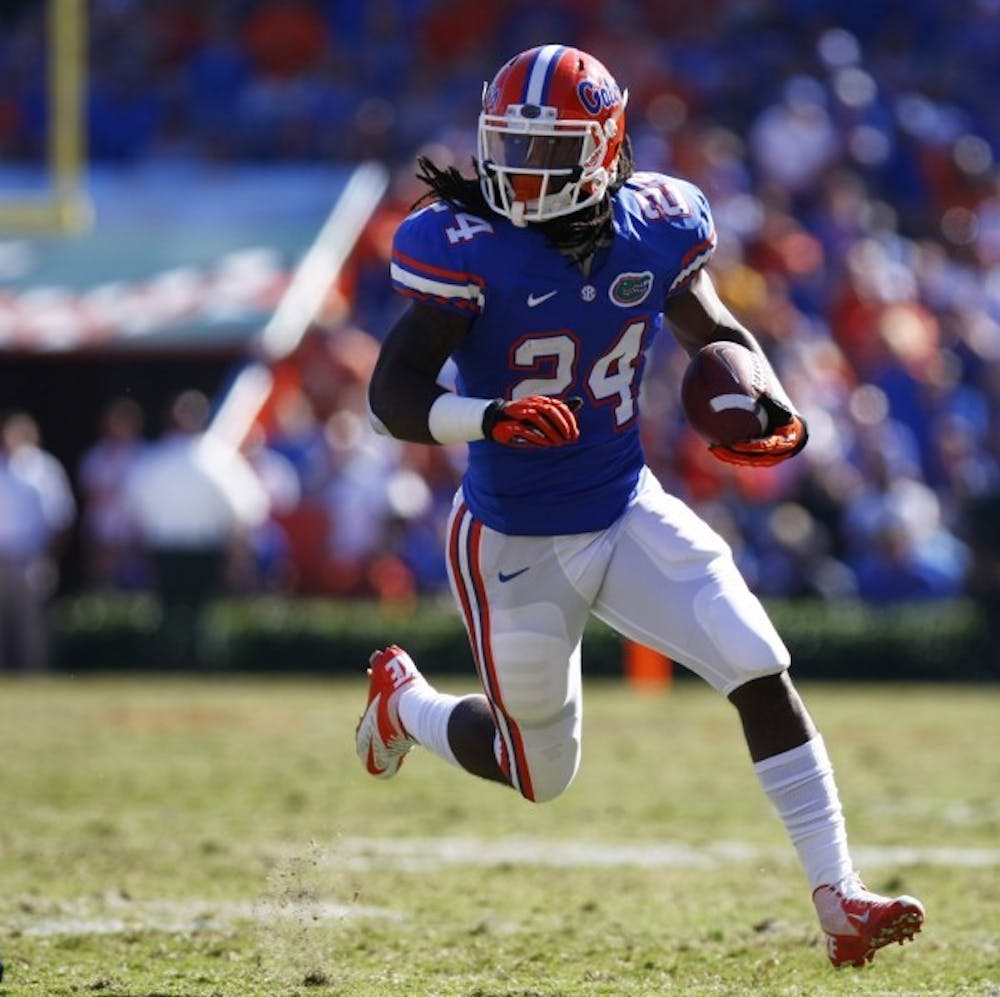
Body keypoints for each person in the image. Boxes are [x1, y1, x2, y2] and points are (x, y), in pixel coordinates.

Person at [357, 44, 924, 969]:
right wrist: (489, 416)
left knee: (757, 660)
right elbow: (393, 394)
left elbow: (716, 329)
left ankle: (840, 895)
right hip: (514, 536)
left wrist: (760, 397)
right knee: (538, 771)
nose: (519, 171)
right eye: (509, 146)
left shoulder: (657, 224)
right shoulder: (466, 245)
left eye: (546, 151)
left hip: (625, 507)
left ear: (602, 148)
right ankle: (407, 704)